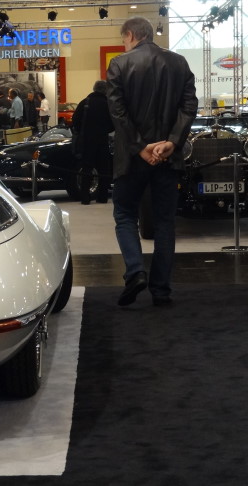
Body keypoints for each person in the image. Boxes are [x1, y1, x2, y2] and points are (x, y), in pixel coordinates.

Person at [106, 17, 197, 307]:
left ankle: (135, 272)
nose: (124, 44)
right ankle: (161, 290)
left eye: (124, 39)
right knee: (165, 222)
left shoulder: (119, 64)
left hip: (132, 159)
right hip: (169, 158)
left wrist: (140, 147)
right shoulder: (180, 63)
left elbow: (118, 112)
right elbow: (189, 106)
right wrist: (172, 142)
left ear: (131, 35)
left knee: (124, 215)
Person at [72, 80, 114, 205]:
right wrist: (104, 130)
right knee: (104, 169)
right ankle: (102, 197)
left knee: (86, 169)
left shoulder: (85, 102)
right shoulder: (108, 104)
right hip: (102, 140)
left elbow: (75, 121)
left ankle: (85, 197)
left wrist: (82, 131)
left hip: (87, 140)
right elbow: (114, 123)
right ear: (105, 91)